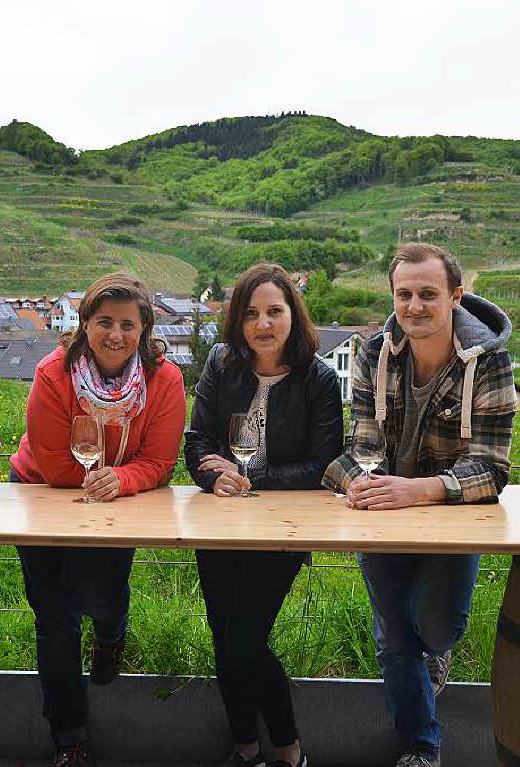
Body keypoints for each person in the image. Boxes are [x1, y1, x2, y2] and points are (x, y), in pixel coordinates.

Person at [322, 243, 517, 767]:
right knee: (394, 643)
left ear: (456, 296)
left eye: (428, 294)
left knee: (433, 628)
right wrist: (360, 481)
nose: (414, 306)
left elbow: (493, 469)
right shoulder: (372, 354)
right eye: (403, 294)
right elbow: (362, 445)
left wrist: (422, 489)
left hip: (451, 515)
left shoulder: (489, 361)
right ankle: (422, 746)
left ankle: (439, 649)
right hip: (385, 510)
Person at [9, 273, 187, 766]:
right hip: (42, 491)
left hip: (118, 499)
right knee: (54, 616)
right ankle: (69, 738)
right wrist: (103, 477)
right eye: (104, 321)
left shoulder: (165, 380)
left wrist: (122, 480)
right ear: (84, 323)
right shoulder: (52, 374)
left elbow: (161, 460)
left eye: (128, 324)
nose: (116, 334)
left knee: (101, 597)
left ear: (144, 328)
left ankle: (111, 633)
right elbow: (52, 462)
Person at [185, 262, 343, 767]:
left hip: (282, 531)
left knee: (244, 639)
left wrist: (253, 477)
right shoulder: (220, 363)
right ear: (238, 320)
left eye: (275, 311)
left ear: (293, 315)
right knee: (223, 635)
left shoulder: (317, 376)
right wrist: (214, 476)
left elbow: (323, 464)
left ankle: (288, 747)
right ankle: (245, 746)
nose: (263, 324)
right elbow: (198, 442)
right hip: (221, 524)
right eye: (251, 314)